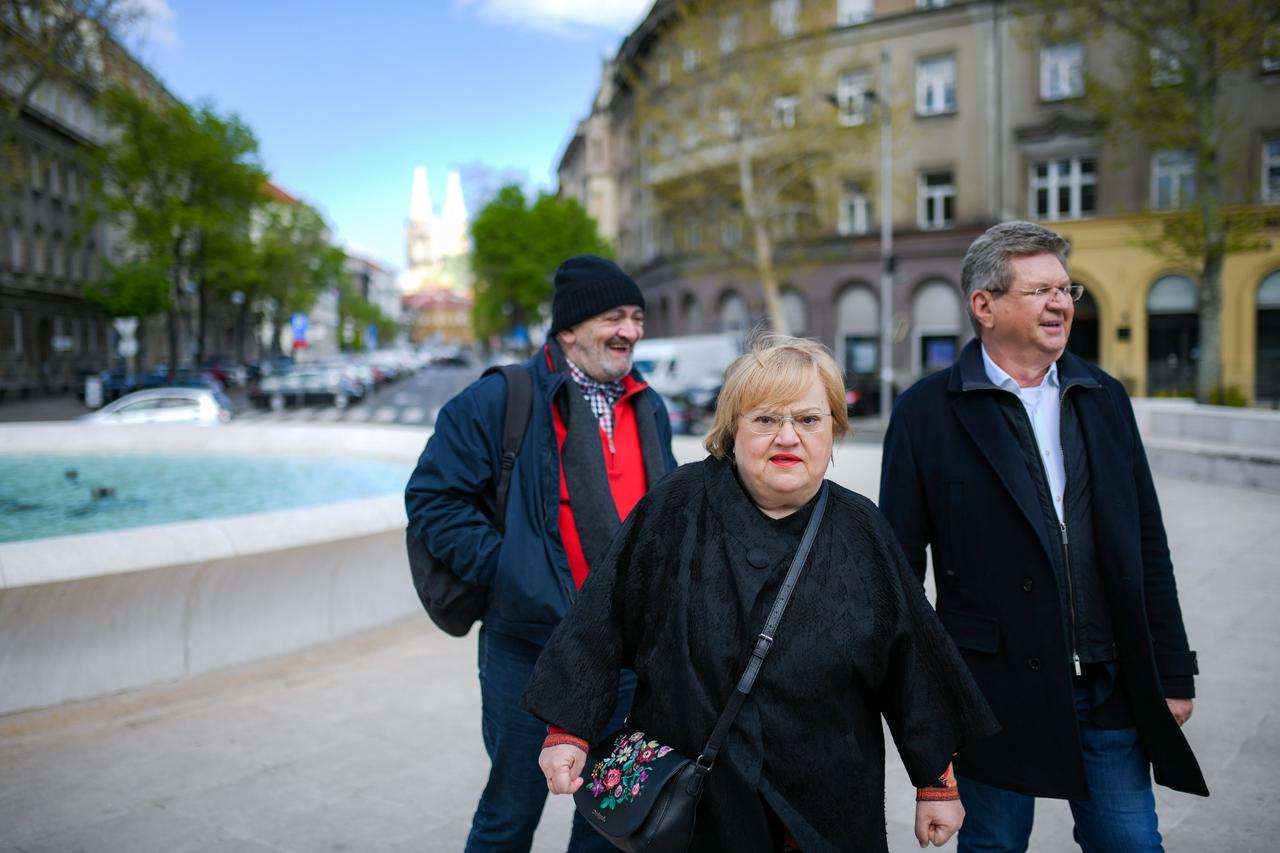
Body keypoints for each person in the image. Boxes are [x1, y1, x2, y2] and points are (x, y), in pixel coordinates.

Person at [524, 335, 999, 852]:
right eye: (766, 419)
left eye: (809, 420)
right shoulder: (677, 506)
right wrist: (568, 731)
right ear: (732, 430)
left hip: (824, 804)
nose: (788, 437)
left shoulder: (862, 529)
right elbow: (602, 618)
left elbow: (914, 665)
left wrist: (937, 783)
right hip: (697, 805)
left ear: (834, 429)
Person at [879, 221, 1209, 853]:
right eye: (1040, 291)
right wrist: (923, 701)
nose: (1062, 303)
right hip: (992, 691)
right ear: (985, 306)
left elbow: (1147, 542)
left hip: (1106, 681)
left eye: (1067, 289)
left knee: (1131, 843)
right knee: (994, 845)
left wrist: (1173, 668)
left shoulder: (1103, 396)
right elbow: (897, 567)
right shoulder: (927, 412)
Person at [405, 254, 678, 852]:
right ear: (569, 329)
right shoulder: (503, 399)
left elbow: (669, 515)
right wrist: (511, 572)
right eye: (614, 316)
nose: (630, 330)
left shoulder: (648, 405)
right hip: (529, 651)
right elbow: (433, 499)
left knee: (611, 824)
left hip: (628, 663)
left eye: (636, 316)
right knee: (509, 815)